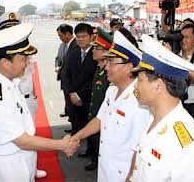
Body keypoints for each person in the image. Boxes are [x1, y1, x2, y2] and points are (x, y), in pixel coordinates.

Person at [0, 23, 78, 182]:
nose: (28, 63)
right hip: (9, 166)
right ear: (5, 62)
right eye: (24, 58)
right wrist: (62, 145)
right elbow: (21, 141)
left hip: (23, 157)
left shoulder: (9, 82)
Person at [70, 30, 150, 181]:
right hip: (106, 169)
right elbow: (100, 120)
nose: (106, 67)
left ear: (129, 67)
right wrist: (76, 137)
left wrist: (130, 178)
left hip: (123, 173)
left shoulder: (140, 101)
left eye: (111, 62)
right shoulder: (112, 91)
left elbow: (139, 148)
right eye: (106, 62)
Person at [129, 34, 194, 182]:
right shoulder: (155, 118)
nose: (135, 85)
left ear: (158, 85)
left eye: (140, 80)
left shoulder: (189, 147)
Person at [0, 11, 47, 178]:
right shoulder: (0, 54)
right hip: (11, 100)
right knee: (19, 137)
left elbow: (29, 75)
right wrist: (61, 144)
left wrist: (33, 94)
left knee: (30, 132)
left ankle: (32, 166)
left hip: (25, 99)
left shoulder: (23, 51)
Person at [82, 26, 112, 171]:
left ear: (105, 51)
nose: (93, 51)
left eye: (96, 48)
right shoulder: (100, 69)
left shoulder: (109, 74)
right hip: (95, 116)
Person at [64, 23, 97, 135]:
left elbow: (94, 79)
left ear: (92, 36)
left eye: (84, 36)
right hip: (73, 98)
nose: (80, 39)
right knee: (76, 127)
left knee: (90, 130)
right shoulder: (74, 52)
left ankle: (90, 151)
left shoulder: (96, 54)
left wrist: (79, 95)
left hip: (88, 99)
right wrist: (72, 93)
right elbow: (67, 74)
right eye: (78, 37)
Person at [55, 24, 78, 121]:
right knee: (68, 102)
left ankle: (75, 127)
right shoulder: (62, 45)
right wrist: (57, 67)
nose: (59, 38)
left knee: (73, 106)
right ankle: (71, 119)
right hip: (64, 79)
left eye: (60, 35)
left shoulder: (76, 45)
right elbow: (58, 58)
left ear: (67, 34)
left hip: (72, 82)